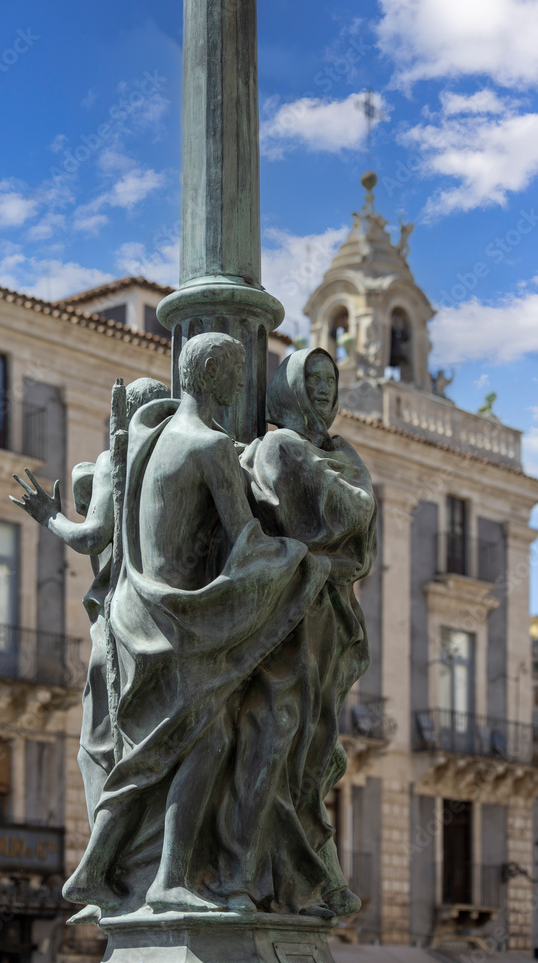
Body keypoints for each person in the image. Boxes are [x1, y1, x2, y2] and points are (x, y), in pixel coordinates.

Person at [61, 333, 331, 918]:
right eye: (234, 373)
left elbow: (101, 525)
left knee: (151, 751)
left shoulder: (145, 440)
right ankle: (167, 880)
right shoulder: (210, 445)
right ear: (211, 372)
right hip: (183, 621)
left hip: (136, 614)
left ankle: (96, 871)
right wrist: (307, 560)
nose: (240, 386)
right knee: (205, 740)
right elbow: (245, 538)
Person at [217, 347, 377, 917]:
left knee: (311, 756)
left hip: (328, 621)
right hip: (286, 618)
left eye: (330, 378)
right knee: (270, 740)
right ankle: (238, 871)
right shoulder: (281, 447)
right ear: (289, 389)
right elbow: (335, 515)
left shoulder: (339, 452)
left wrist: (345, 512)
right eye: (311, 378)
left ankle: (302, 877)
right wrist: (342, 518)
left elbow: (356, 520)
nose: (324, 388)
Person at [9, 377, 170, 922]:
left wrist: (48, 516)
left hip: (121, 620)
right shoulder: (181, 454)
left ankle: (104, 871)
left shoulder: (120, 459)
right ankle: (130, 868)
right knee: (147, 744)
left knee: (100, 746)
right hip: (167, 622)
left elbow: (92, 534)